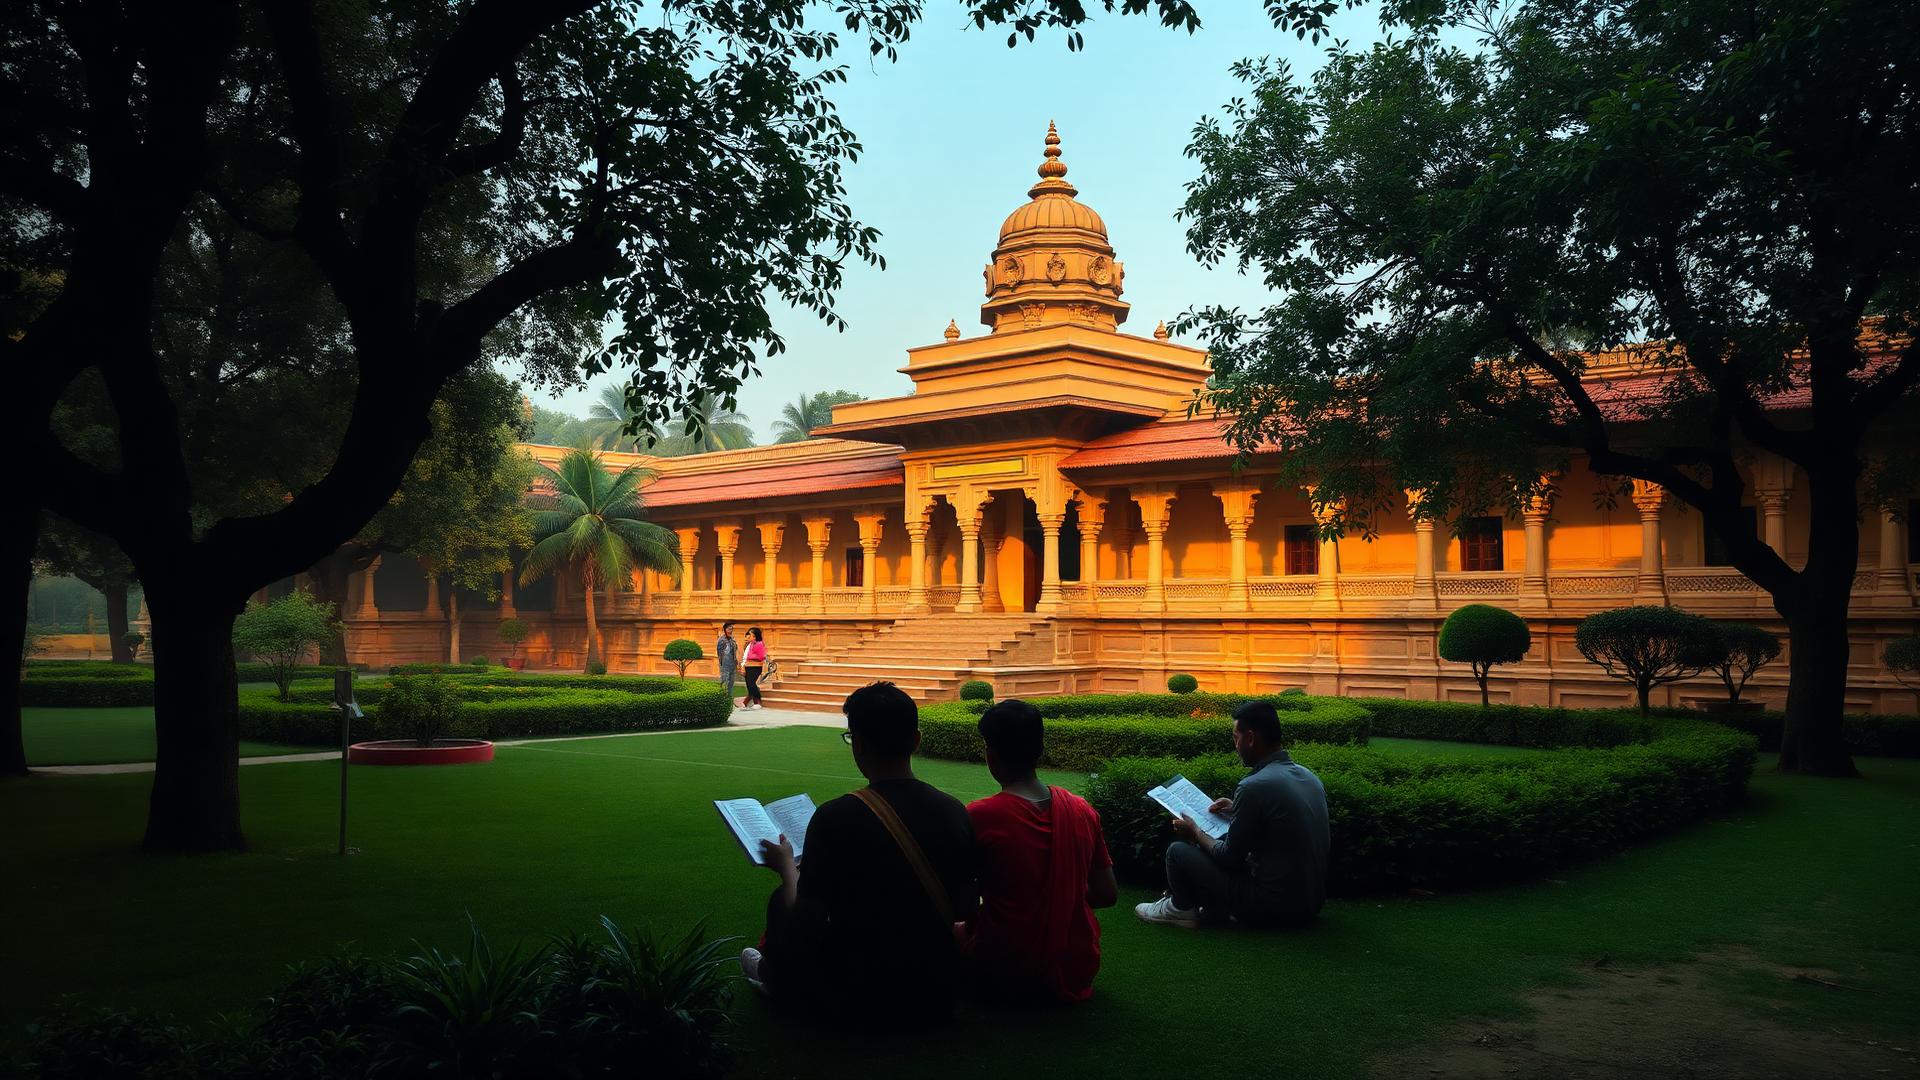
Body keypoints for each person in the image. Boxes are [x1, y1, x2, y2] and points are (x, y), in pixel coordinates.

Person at [742, 682, 978, 1019]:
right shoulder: (954, 810)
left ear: (859, 745)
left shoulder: (836, 816)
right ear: (916, 740)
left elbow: (805, 922)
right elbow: (966, 907)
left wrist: (787, 869)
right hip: (934, 990)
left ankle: (775, 978)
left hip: (857, 993)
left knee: (782, 899)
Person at [961, 699, 1116, 1003]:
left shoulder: (980, 816)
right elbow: (1107, 894)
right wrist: (1058, 899)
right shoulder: (1082, 810)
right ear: (1040, 750)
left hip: (1005, 968)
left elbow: (962, 903)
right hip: (1076, 967)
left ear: (990, 755)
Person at [1135, 699, 1329, 929]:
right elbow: (1277, 827)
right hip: (1309, 904)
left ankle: (1180, 907)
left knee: (1178, 852)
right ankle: (1210, 905)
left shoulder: (1254, 786)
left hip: (1274, 908)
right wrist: (1237, 809)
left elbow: (1229, 857)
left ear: (1250, 738)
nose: (1236, 746)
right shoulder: (1309, 777)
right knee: (1221, 840)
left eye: (1236, 738)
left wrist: (1195, 831)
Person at [740, 626, 767, 710]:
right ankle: (750, 702)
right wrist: (743, 666)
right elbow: (746, 656)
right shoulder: (751, 644)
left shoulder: (759, 644)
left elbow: (762, 656)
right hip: (748, 666)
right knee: (749, 685)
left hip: (755, 666)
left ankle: (757, 701)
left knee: (752, 684)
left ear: (755, 636)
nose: (749, 637)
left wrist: (752, 657)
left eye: (750, 635)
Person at [716, 622, 739, 707]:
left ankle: (729, 698)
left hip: (732, 662)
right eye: (728, 629)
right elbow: (719, 653)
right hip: (725, 662)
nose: (730, 630)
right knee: (724, 680)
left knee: (731, 681)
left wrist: (736, 661)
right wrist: (721, 663)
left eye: (731, 629)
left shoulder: (732, 639)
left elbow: (735, 650)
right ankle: (722, 699)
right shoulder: (721, 640)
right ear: (725, 629)